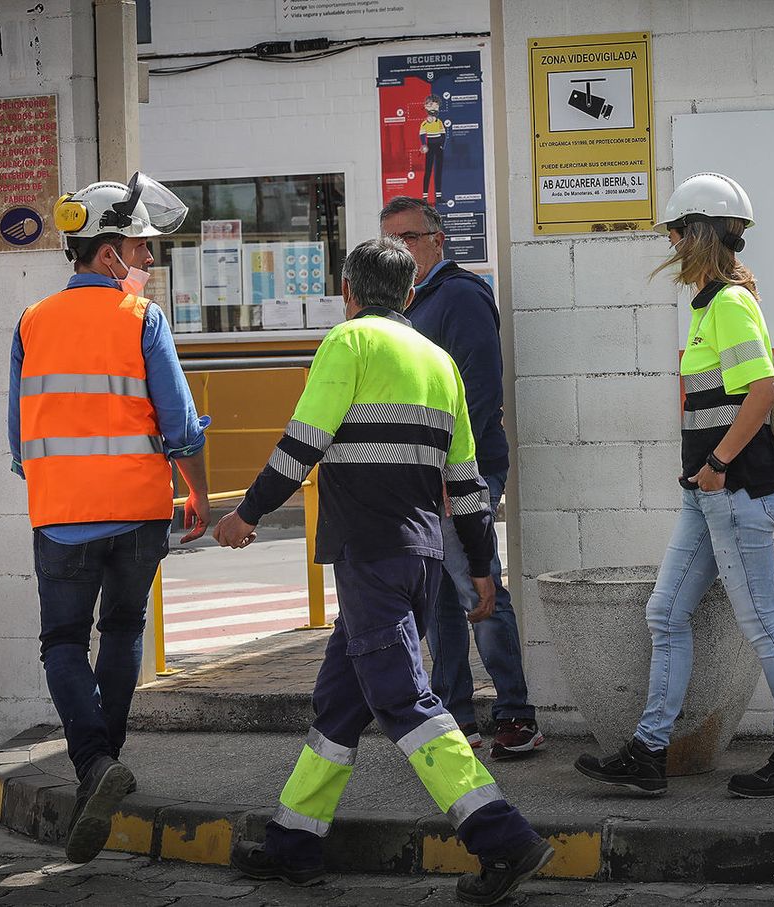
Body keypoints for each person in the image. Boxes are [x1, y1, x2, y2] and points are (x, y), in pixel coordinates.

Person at [214, 237, 552, 904]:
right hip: (422, 559)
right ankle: (293, 841)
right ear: (408, 295)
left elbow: (301, 444)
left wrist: (247, 513)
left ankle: (502, 835)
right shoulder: (439, 362)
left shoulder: (349, 343)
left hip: (368, 555)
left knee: (403, 699)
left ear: (347, 291)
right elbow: (468, 484)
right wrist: (483, 567)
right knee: (340, 705)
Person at [574, 172, 774, 799]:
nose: (673, 243)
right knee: (666, 612)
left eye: (679, 231)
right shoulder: (715, 303)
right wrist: (705, 476)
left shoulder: (731, 305)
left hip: (732, 491)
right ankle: (648, 754)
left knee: (762, 622)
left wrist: (715, 464)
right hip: (707, 493)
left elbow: (762, 392)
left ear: (702, 233)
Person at [8, 172, 211, 863]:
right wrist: (200, 493)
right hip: (139, 515)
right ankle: (104, 765)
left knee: (63, 642)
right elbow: (181, 428)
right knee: (121, 631)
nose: (150, 261)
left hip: (60, 516)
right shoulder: (141, 319)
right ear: (106, 253)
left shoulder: (32, 321)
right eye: (141, 249)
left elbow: (17, 440)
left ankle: (94, 766)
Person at [380, 196, 542, 761]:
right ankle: (455, 716)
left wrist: (455, 479)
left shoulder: (461, 297)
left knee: (477, 583)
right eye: (389, 241)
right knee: (441, 600)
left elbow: (478, 391)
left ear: (438, 240)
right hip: (419, 475)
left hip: (462, 471)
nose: (400, 249)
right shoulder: (407, 306)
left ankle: (516, 715)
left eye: (409, 237)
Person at [418, 95, 446, 204]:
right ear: (426, 108)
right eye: (432, 107)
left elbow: (443, 134)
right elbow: (421, 135)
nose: (434, 110)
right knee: (428, 171)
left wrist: (441, 145)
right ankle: (425, 197)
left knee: (438, 170)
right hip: (430, 147)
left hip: (438, 146)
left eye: (436, 107)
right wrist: (424, 145)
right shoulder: (424, 123)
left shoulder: (439, 122)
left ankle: (438, 196)